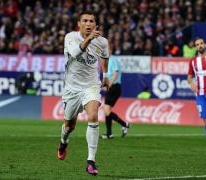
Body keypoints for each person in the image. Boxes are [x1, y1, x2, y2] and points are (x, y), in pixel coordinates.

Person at [57, 11, 109, 176]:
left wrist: (106, 76)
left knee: (93, 116)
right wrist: (89, 39)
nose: (88, 24)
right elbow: (75, 52)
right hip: (72, 89)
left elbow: (105, 56)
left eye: (91, 21)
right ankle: (63, 143)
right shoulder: (70, 37)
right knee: (69, 126)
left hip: (91, 86)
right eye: (85, 21)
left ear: (95, 24)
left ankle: (90, 161)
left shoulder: (102, 41)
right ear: (79, 23)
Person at [101, 53, 130, 139]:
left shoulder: (113, 60)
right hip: (112, 87)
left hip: (115, 87)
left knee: (106, 110)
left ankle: (124, 125)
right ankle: (109, 133)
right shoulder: (107, 61)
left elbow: (116, 73)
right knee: (107, 111)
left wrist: (109, 84)